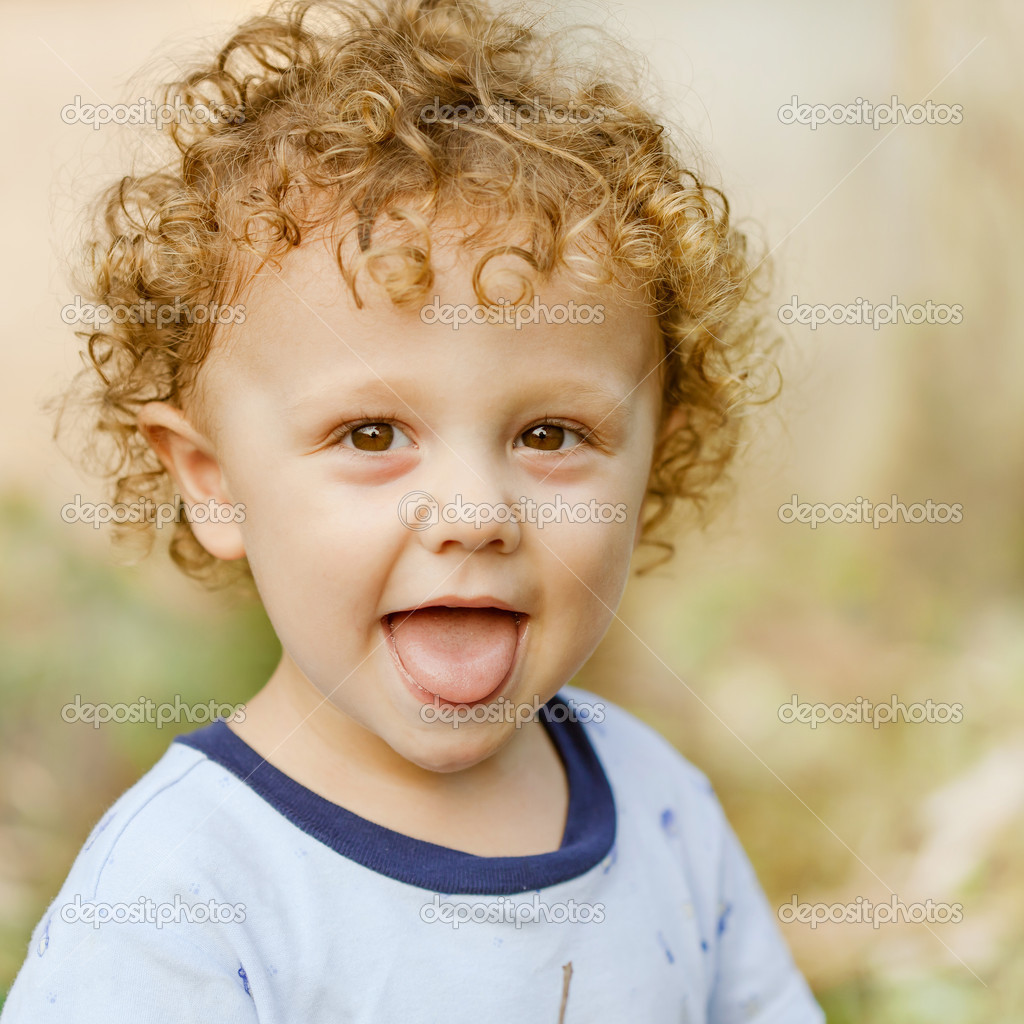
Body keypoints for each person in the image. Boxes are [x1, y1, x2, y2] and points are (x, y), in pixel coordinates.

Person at [3, 0, 823, 1019]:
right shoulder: (177, 897)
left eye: (550, 434)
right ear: (213, 480)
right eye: (373, 435)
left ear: (655, 459)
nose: (473, 513)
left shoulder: (661, 810)